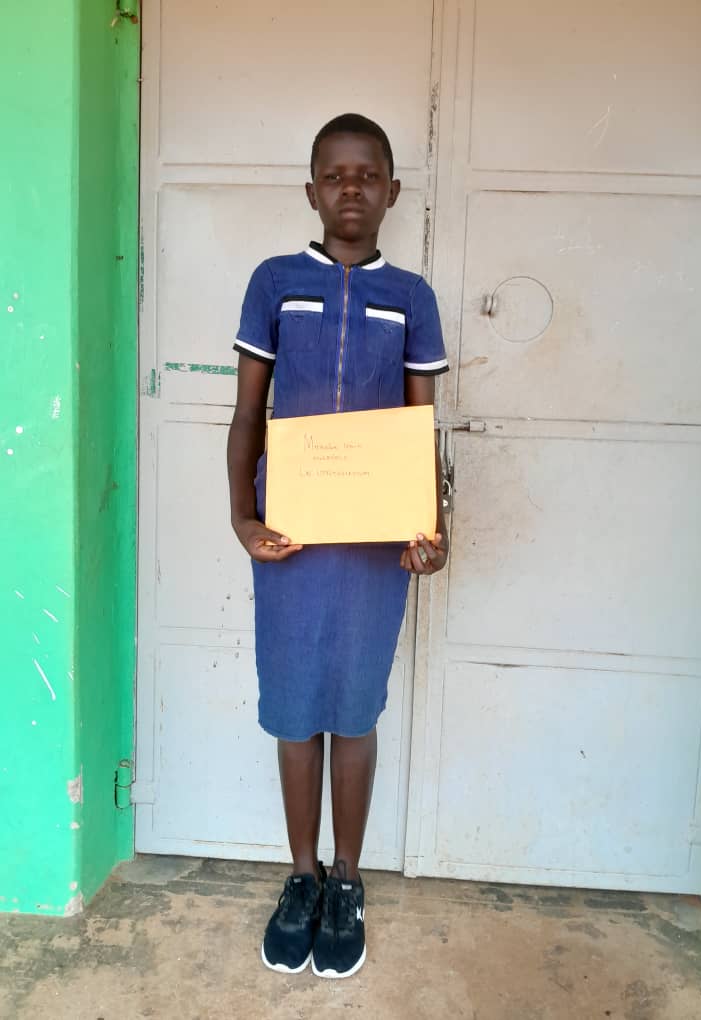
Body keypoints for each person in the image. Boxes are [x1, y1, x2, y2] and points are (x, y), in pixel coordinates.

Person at [226, 113, 449, 980]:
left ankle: (347, 880)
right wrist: (244, 519)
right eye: (334, 174)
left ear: (391, 192)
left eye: (368, 175)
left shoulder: (412, 297)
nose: (350, 188)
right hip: (290, 537)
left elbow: (420, 421)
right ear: (311, 190)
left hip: (372, 543)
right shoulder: (274, 284)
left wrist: (430, 523)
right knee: (292, 708)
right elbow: (249, 412)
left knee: (353, 708)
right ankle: (301, 876)